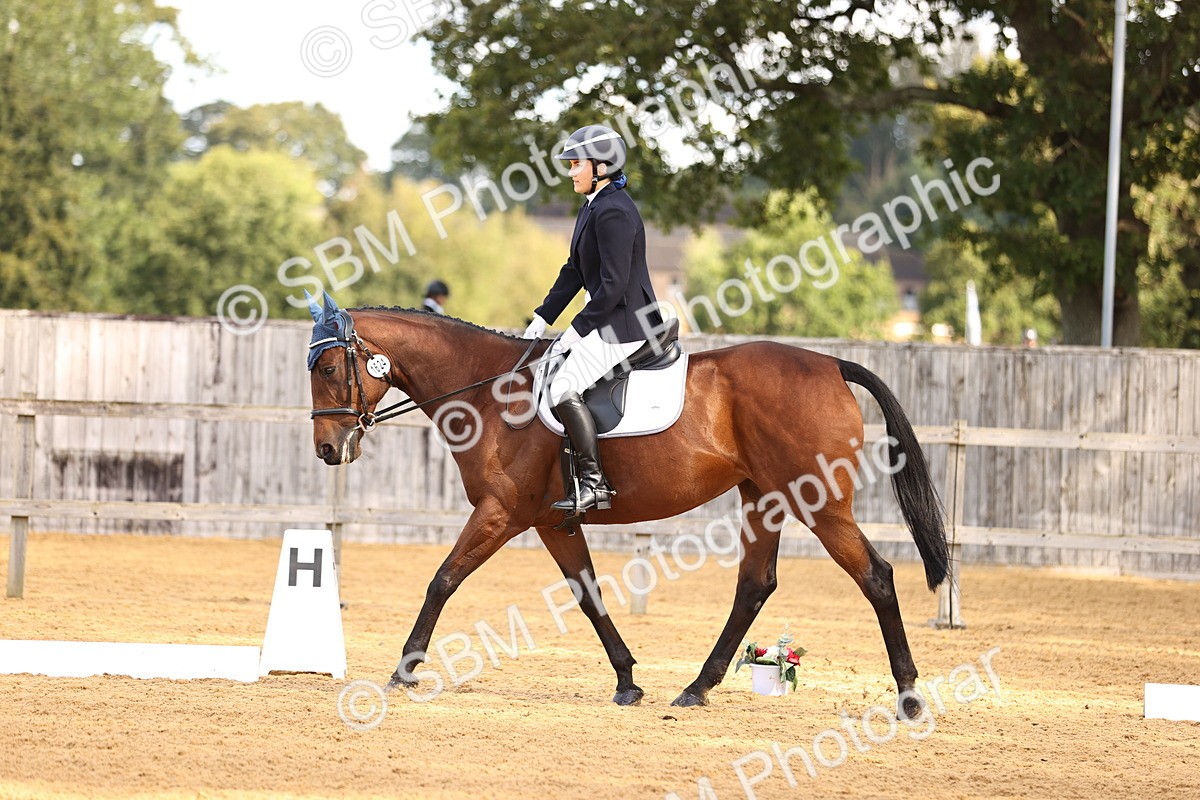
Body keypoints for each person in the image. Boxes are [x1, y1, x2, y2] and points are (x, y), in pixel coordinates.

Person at [522, 124, 664, 514]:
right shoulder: (593, 206)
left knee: (562, 387)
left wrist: (576, 329)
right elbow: (574, 270)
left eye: (576, 164)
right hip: (608, 319)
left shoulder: (614, 211)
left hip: (625, 325)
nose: (570, 172)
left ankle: (594, 484)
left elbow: (614, 285)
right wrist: (543, 316)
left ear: (601, 167)